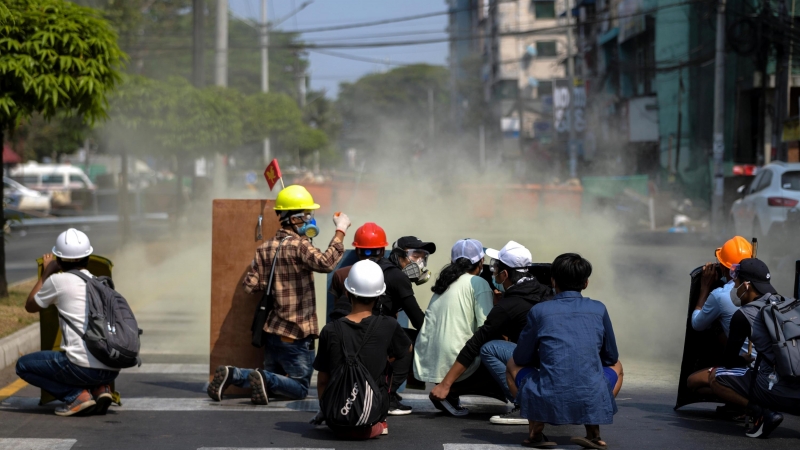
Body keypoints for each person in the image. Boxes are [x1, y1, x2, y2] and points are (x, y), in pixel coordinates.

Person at [207, 185, 350, 404]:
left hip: (272, 332)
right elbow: (326, 263)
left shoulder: (265, 248)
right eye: (308, 215)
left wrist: (266, 269)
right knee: (300, 387)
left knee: (273, 382)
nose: (311, 220)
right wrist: (340, 231)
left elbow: (249, 286)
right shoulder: (299, 246)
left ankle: (235, 374)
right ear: (294, 219)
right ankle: (261, 377)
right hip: (296, 333)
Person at [429, 241, 552, 425]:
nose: (492, 272)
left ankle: (524, 404)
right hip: (552, 368)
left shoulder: (507, 306)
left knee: (489, 348)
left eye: (496, 269)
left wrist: (445, 384)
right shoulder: (544, 291)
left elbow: (476, 343)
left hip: (537, 366)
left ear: (505, 274)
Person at [506, 253, 620, 449]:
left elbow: (521, 357)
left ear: (553, 281)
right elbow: (611, 356)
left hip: (547, 394)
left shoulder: (540, 311)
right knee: (618, 367)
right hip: (590, 392)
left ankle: (535, 429)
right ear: (586, 283)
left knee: (511, 365)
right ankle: (594, 431)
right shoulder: (599, 309)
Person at [328, 230, 435, 415]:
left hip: (344, 326)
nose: (418, 262)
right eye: (414, 255)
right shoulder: (398, 277)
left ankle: (382, 388)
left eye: (422, 257)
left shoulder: (380, 268)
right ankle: (389, 396)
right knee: (411, 342)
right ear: (398, 256)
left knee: (397, 336)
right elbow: (419, 321)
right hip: (363, 329)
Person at [16, 229, 119, 417]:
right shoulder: (100, 282)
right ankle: (100, 389)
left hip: (82, 369)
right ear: (88, 257)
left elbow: (30, 306)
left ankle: (76, 396)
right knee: (86, 357)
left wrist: (46, 273)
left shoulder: (58, 281)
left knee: (23, 366)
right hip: (112, 369)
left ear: (59, 259)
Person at [314, 259, 412, 439]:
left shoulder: (330, 330)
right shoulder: (389, 325)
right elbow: (406, 349)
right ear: (379, 295)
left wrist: (327, 409)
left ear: (347, 292)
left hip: (335, 419)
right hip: (371, 415)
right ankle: (379, 423)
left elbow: (322, 381)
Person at [710, 258, 800, 439]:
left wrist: (742, 360)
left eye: (736, 282)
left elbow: (727, 361)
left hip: (775, 391)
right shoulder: (789, 303)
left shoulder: (743, 315)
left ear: (746, 286)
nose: (734, 286)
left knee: (716, 377)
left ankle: (763, 414)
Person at [414, 238, 495, 416]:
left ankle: (448, 390)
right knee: (500, 350)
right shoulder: (478, 283)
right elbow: (488, 328)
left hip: (431, 362)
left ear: (452, 262)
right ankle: (453, 390)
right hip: (458, 363)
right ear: (481, 262)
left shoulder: (443, 284)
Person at [691, 236, 754, 356]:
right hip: (768, 364)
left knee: (693, 376)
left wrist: (705, 288)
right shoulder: (762, 289)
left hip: (747, 365)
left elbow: (697, 324)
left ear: (723, 267)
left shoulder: (720, 295)